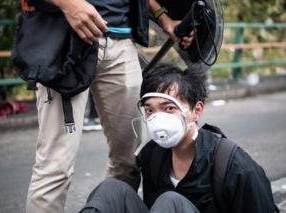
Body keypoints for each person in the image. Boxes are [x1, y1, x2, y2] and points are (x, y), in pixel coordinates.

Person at [25, 0, 195, 213]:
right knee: (55, 166)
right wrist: (69, 4)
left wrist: (163, 16)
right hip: (65, 35)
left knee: (128, 162)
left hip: (121, 41)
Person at [79, 64, 277, 213]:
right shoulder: (152, 155)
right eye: (149, 110)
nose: (157, 118)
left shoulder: (234, 165)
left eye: (169, 108)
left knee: (170, 202)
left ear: (196, 110)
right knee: (111, 190)